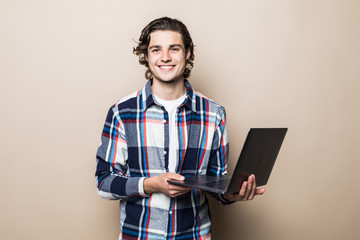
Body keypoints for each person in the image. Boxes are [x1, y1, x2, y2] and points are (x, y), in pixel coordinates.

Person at [95, 16, 265, 240]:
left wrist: (233, 193)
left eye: (174, 49)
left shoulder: (214, 114)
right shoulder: (122, 112)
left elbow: (217, 182)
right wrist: (150, 184)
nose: (165, 57)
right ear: (146, 56)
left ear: (187, 53)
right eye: (156, 49)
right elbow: (104, 183)